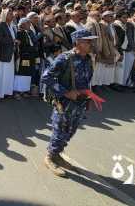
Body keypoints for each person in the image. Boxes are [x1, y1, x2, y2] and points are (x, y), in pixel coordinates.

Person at [41, 29, 96, 177]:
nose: (91, 44)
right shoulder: (65, 58)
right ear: (78, 42)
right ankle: (50, 157)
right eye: (87, 41)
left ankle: (57, 154)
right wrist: (66, 92)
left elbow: (87, 81)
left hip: (80, 102)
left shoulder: (88, 59)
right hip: (64, 103)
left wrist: (88, 97)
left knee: (71, 131)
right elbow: (46, 78)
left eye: (91, 41)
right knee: (60, 131)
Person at [0, 8, 16, 99]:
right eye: (9, 14)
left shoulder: (12, 25)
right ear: (5, 15)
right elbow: (0, 39)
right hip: (2, 54)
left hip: (10, 53)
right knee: (1, 74)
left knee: (8, 74)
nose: (12, 16)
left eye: (12, 14)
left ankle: (6, 92)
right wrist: (13, 41)